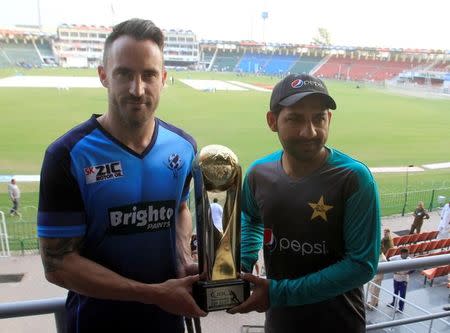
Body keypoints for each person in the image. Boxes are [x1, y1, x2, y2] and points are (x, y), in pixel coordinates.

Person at [37, 18, 206, 333]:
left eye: (149, 75)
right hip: (94, 323)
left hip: (168, 321)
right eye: (124, 73)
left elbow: (180, 209)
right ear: (104, 76)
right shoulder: (67, 156)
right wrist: (153, 294)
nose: (137, 89)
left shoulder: (184, 148)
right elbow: (57, 264)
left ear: (164, 78)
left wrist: (182, 259)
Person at [228, 73, 381, 332]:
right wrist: (239, 265)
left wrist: (278, 293)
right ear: (272, 121)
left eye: (319, 118)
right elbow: (251, 217)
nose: (309, 131)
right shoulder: (258, 174)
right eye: (295, 118)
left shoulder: (354, 178)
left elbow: (361, 265)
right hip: (280, 323)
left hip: (340, 324)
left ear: (329, 119)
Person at [388, 248, 411, 312]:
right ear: (402, 254)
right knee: (395, 292)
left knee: (402, 294)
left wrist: (407, 273)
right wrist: (393, 270)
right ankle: (393, 303)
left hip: (404, 279)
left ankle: (401, 308)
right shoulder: (396, 258)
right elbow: (388, 260)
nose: (408, 255)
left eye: (408, 253)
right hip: (396, 278)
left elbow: (414, 269)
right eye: (406, 253)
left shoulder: (409, 260)